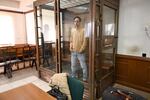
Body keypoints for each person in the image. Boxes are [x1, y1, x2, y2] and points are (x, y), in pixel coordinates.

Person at [70, 16, 88, 82]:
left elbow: (85, 41)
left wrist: (81, 49)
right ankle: (73, 76)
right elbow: (71, 39)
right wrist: (70, 46)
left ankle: (85, 78)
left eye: (77, 21)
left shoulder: (84, 30)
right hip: (73, 52)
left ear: (80, 22)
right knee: (73, 65)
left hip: (81, 52)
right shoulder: (72, 30)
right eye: (75, 21)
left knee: (83, 66)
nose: (76, 23)